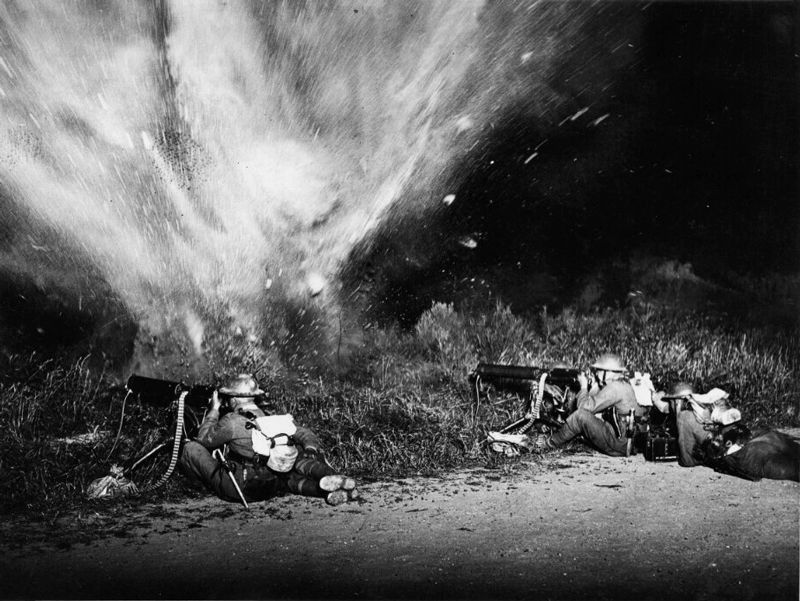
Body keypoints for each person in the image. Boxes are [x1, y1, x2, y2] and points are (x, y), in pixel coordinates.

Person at [180, 374, 357, 506]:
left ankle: (199, 487)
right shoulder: (271, 418)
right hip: (271, 486)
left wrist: (214, 410)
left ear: (232, 399)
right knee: (294, 475)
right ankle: (333, 482)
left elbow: (203, 439)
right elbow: (304, 433)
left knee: (190, 448)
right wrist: (310, 449)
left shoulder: (232, 422)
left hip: (240, 490)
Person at [533, 353, 646, 456]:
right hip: (632, 439)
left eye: (599, 371)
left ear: (608, 372)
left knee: (579, 417)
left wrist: (583, 386)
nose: (596, 373)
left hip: (622, 444)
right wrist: (594, 386)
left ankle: (546, 445)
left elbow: (584, 407)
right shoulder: (626, 382)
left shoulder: (615, 387)